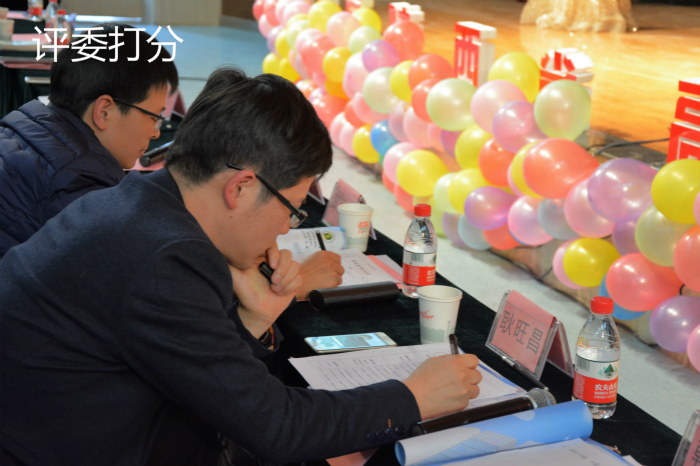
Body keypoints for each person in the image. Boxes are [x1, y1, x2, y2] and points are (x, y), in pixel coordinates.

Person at [0, 68, 482, 466]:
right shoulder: (166, 256)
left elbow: (199, 372)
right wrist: (412, 397)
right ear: (242, 187)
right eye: (292, 208)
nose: (285, 228)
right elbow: (276, 427)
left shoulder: (137, 202)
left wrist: (253, 319)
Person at [0, 22, 178, 258]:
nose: (156, 133)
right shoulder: (81, 190)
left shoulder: (20, 130)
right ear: (104, 111)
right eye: (154, 117)